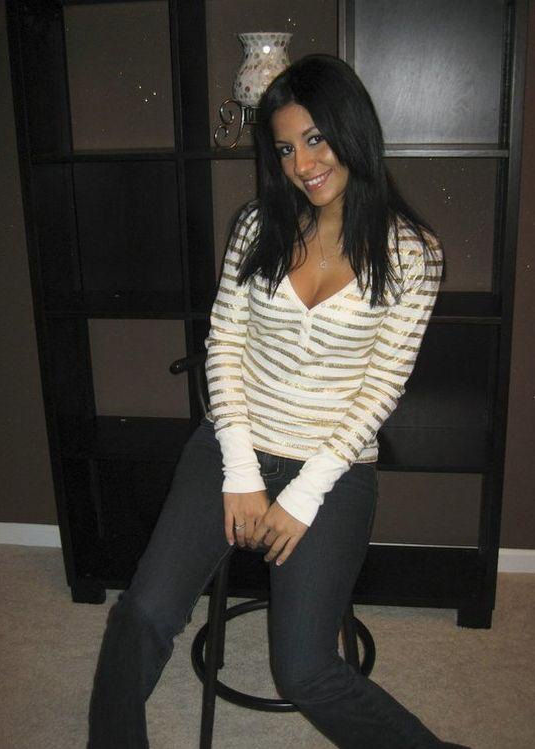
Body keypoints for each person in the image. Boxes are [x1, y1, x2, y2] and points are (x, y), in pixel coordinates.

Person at [87, 54, 470, 749]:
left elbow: (383, 385)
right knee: (141, 613)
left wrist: (302, 494)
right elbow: (224, 347)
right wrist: (240, 471)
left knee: (305, 670)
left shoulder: (414, 253)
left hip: (333, 468)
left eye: (315, 139)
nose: (303, 165)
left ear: (352, 131)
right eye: (287, 148)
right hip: (232, 445)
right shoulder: (256, 226)